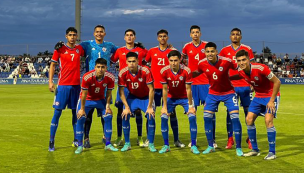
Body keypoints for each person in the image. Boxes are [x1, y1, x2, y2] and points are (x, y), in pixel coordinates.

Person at [54, 25, 118, 149]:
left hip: (104, 82)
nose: (99, 34)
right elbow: (73, 46)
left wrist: (135, 47)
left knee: (105, 113)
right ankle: (86, 138)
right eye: (97, 32)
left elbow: (120, 53)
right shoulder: (87, 44)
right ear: (94, 34)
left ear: (105, 33)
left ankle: (106, 138)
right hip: (90, 81)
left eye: (101, 32)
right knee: (88, 114)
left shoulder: (110, 45)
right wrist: (61, 45)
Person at [196, 42, 243, 156]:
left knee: (235, 118)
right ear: (205, 53)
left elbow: (240, 69)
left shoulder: (226, 61)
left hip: (229, 93)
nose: (210, 53)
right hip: (213, 93)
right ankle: (210, 146)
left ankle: (239, 147)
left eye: (212, 51)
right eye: (208, 52)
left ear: (216, 52)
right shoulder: (201, 64)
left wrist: (248, 79)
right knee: (206, 118)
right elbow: (196, 73)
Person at [233, 50, 281, 160]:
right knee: (249, 119)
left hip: (270, 96)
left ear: (249, 59)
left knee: (268, 120)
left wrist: (271, 100)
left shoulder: (261, 68)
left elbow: (277, 82)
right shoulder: (240, 71)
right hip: (258, 96)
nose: (241, 63)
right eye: (239, 61)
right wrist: (253, 87)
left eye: (244, 60)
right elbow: (253, 81)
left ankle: (272, 152)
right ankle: (254, 149)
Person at [144, 29, 185, 148]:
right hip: (155, 87)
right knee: (151, 113)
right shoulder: (152, 51)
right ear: (157, 38)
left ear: (167, 38)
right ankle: (149, 139)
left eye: (164, 36)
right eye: (160, 36)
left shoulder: (173, 51)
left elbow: (182, 59)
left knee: (172, 113)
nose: (162, 38)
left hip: (169, 88)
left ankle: (176, 140)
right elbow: (144, 63)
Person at [48, 27, 84, 151]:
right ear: (66, 36)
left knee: (76, 113)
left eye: (74, 35)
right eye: (70, 35)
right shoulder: (60, 49)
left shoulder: (80, 49)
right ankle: (51, 141)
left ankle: (76, 139)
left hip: (76, 87)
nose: (72, 37)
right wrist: (50, 82)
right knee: (57, 113)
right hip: (63, 86)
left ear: (77, 36)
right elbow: (52, 65)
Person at [111, 29, 148, 147]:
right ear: (124, 38)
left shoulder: (141, 51)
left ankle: (140, 137)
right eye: (127, 35)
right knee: (120, 111)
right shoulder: (119, 50)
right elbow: (110, 60)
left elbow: (153, 57)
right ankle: (119, 137)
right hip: (124, 85)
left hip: (138, 85)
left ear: (135, 37)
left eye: (131, 35)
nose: (129, 37)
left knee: (138, 111)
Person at [219, 28, 254, 149]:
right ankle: (230, 139)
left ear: (241, 37)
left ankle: (250, 138)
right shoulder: (224, 50)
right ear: (230, 37)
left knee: (248, 112)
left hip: (245, 86)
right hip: (231, 87)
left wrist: (252, 82)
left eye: (237, 35)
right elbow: (221, 68)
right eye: (233, 35)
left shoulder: (247, 49)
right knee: (231, 113)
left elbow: (252, 67)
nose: (235, 36)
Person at [182, 25, 217, 148]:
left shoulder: (207, 46)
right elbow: (181, 60)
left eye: (197, 32)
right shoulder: (186, 47)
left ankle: (213, 139)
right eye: (193, 32)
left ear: (200, 34)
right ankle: (194, 139)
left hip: (206, 83)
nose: (195, 34)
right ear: (190, 35)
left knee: (210, 112)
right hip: (191, 84)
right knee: (192, 111)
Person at [74, 58, 118, 154]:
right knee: (80, 118)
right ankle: (80, 145)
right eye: (98, 67)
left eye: (103, 67)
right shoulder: (87, 77)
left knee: (108, 116)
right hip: (87, 101)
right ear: (95, 67)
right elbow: (84, 95)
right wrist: (82, 109)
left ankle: (108, 144)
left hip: (100, 100)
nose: (100, 69)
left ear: (106, 68)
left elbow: (109, 93)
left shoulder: (110, 77)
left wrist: (107, 106)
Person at [159, 50, 198, 154]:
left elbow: (189, 89)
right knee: (163, 117)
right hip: (171, 98)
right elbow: (165, 89)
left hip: (184, 97)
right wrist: (164, 106)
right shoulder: (164, 71)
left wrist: (190, 106)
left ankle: (193, 145)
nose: (173, 63)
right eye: (171, 60)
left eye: (175, 60)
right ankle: (166, 145)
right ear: (168, 60)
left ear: (180, 60)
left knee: (192, 117)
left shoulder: (187, 71)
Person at [118, 52, 156, 152]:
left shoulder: (145, 71)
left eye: (134, 61)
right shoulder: (122, 72)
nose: (132, 64)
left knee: (151, 115)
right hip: (132, 97)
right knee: (125, 115)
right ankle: (127, 143)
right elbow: (121, 91)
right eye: (129, 61)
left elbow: (151, 89)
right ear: (126, 62)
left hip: (146, 97)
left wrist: (150, 106)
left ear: (138, 61)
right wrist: (126, 107)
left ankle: (151, 143)